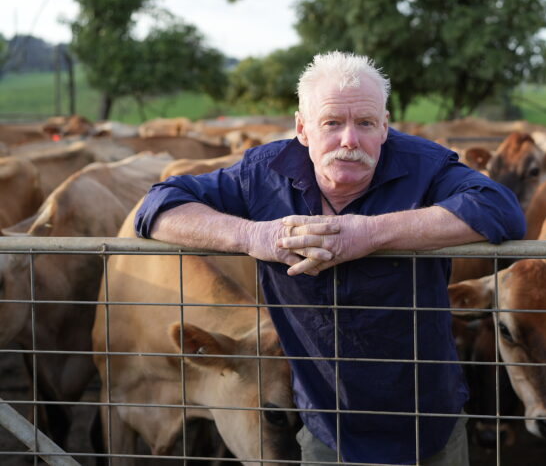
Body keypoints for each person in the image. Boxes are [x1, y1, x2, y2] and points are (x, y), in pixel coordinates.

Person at [134, 51, 525, 465]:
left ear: (385, 127)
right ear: (303, 128)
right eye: (332, 123)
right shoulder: (264, 175)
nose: (350, 141)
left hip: (428, 417)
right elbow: (158, 205)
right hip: (328, 423)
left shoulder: (424, 167)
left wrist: (370, 233)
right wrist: (253, 234)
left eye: (366, 123)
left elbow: (501, 208)